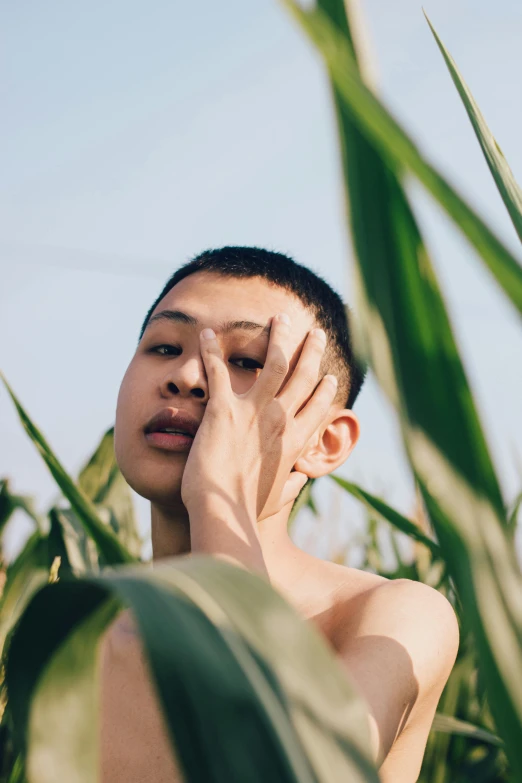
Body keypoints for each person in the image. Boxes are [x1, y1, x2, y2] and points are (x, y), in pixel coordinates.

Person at [99, 246, 459, 783]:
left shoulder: (391, 618)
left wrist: (221, 494)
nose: (188, 377)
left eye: (245, 361)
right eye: (164, 346)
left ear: (325, 441)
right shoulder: (79, 637)